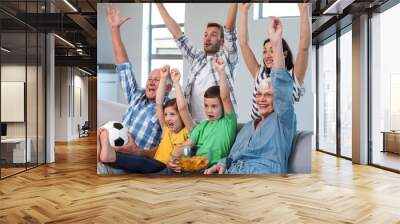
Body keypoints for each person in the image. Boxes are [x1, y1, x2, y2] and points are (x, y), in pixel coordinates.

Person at [205, 17, 296, 175]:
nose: (261, 99)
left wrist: (276, 43)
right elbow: (231, 156)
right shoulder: (248, 127)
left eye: (268, 95)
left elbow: (281, 85)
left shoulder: (284, 120)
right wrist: (221, 164)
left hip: (261, 178)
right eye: (259, 94)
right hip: (231, 175)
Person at [97, 4, 171, 173]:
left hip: (137, 160)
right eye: (149, 79)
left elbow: (166, 149)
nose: (151, 82)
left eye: (157, 80)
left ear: (167, 88)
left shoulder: (167, 110)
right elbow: (123, 65)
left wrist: (138, 151)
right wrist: (114, 29)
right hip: (115, 150)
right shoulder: (136, 95)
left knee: (101, 167)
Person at [156, 3, 239, 122]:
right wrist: (158, 4)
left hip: (218, 124)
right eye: (206, 35)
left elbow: (230, 32)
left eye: (213, 35)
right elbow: (177, 34)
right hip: (193, 123)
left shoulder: (227, 58)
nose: (207, 38)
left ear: (222, 41)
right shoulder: (197, 57)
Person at [238, 3, 310, 120]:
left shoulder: (292, 77)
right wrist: (243, 11)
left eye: (272, 50)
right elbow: (243, 44)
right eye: (265, 51)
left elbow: (304, 47)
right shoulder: (259, 73)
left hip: (277, 131)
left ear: (284, 54)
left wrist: (303, 10)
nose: (267, 55)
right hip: (256, 129)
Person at [167, 57, 237, 173]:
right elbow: (185, 146)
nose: (209, 110)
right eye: (206, 106)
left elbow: (225, 97)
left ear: (223, 107)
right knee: (171, 170)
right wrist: (172, 159)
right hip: (194, 166)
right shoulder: (202, 126)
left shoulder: (228, 122)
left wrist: (221, 72)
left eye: (214, 106)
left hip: (213, 168)